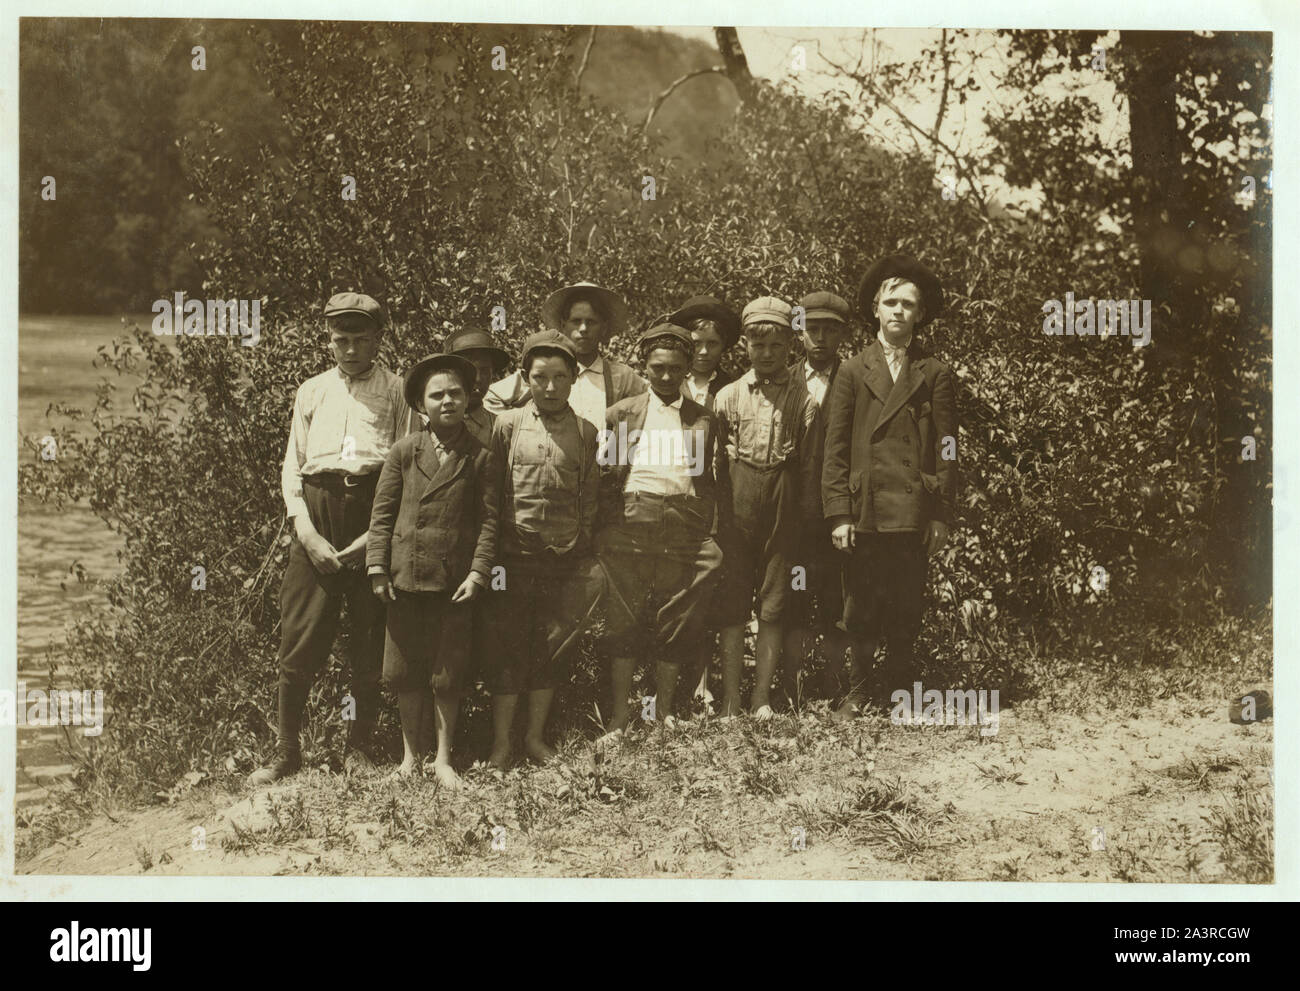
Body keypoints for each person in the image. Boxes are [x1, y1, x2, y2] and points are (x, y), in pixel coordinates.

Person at [249, 292, 412, 786]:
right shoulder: (311, 390)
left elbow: (405, 466)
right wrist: (303, 528)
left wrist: (376, 536)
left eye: (361, 340)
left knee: (368, 635)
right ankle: (286, 752)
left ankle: (358, 747)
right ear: (329, 340)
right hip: (316, 517)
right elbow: (291, 467)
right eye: (341, 340)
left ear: (379, 339)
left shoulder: (399, 389)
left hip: (372, 512)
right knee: (300, 634)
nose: (350, 350)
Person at [821, 255, 958, 719]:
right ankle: (858, 691)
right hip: (866, 509)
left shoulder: (934, 372)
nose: (899, 311)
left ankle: (902, 692)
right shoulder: (852, 370)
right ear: (876, 308)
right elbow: (835, 446)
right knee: (859, 605)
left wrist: (940, 512)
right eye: (891, 302)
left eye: (908, 304)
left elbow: (947, 447)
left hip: (913, 509)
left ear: (920, 315)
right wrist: (838, 513)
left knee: (905, 605)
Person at [366, 353, 497, 786]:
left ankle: (442, 759)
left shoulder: (479, 455)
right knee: (405, 672)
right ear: (422, 405)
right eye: (437, 395)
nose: (447, 401)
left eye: (455, 393)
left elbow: (490, 521)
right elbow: (382, 516)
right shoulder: (404, 452)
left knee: (447, 672)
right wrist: (378, 570)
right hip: (405, 578)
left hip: (453, 581)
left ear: (467, 399)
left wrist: (478, 574)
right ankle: (408, 759)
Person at [595, 323, 728, 744]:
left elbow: (710, 480)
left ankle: (663, 713)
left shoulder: (704, 418)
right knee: (626, 616)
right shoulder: (623, 413)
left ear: (688, 368)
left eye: (675, 369)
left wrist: (709, 528)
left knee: (676, 615)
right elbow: (609, 475)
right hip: (633, 519)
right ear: (645, 367)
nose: (666, 377)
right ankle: (619, 718)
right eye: (658, 368)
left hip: (684, 523)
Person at [484, 330, 604, 768]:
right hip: (514, 556)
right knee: (507, 646)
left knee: (551, 646)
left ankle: (534, 738)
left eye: (559, 377)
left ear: (574, 378)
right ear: (525, 378)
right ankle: (500, 745)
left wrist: (580, 545)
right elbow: (492, 492)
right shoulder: (507, 425)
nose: (550, 387)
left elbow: (589, 497)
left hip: (562, 555)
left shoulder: (586, 432)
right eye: (539, 378)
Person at [713, 297, 821, 720]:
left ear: (790, 345)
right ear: (745, 347)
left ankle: (761, 695)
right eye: (758, 346)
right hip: (738, 494)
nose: (768, 354)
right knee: (733, 599)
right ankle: (730, 698)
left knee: (774, 601)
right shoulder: (727, 396)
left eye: (777, 346)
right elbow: (717, 460)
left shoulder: (804, 400)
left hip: (782, 496)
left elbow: (809, 461)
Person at [783, 291, 853, 702]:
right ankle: (790, 686)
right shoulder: (783, 378)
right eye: (813, 329)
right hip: (791, 513)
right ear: (800, 332)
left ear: (842, 333)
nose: (821, 338)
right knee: (792, 597)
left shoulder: (856, 377)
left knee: (836, 600)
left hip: (837, 514)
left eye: (830, 329)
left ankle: (834, 681)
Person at [483, 282, 645, 426]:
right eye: (576, 321)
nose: (583, 329)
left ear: (603, 327)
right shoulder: (545, 370)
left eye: (591, 322)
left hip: (601, 458)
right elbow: (491, 397)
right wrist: (521, 428)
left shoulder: (621, 376)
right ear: (563, 325)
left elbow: (652, 402)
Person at [443, 326, 512, 447]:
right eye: (469, 371)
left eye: (485, 371)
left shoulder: (501, 430)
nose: (478, 379)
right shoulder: (430, 426)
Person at [669, 294, 740, 411]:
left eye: (712, 343)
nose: (704, 351)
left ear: (723, 345)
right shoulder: (667, 383)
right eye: (696, 343)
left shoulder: (733, 387)